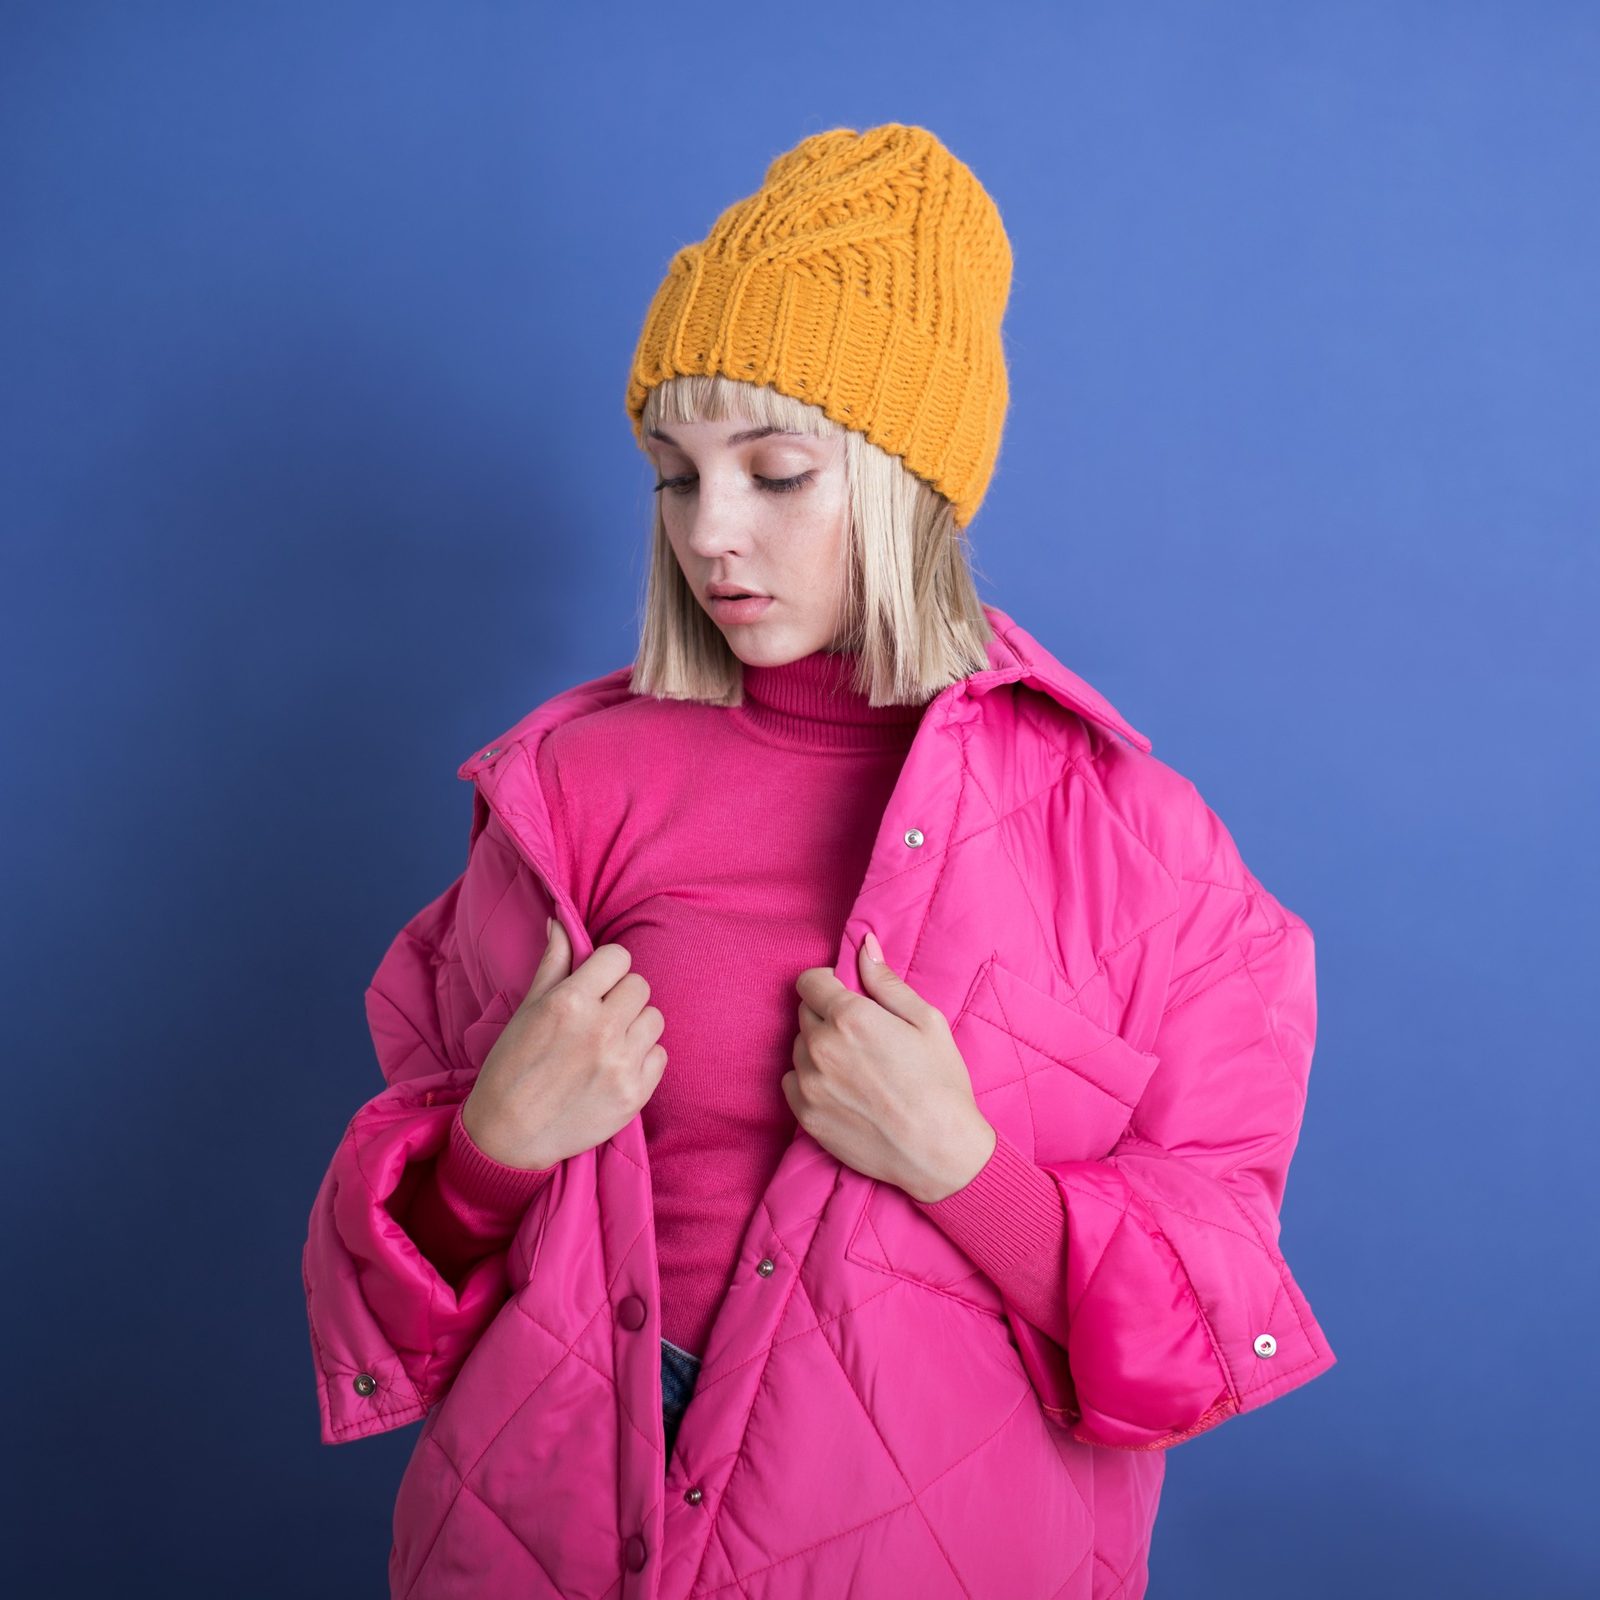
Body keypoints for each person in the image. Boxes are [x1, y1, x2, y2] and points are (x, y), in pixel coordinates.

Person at [303, 122, 1337, 1600]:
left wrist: (967, 1172)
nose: (711, 534)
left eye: (777, 472)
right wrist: (487, 1155)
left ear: (913, 480)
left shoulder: (1143, 850)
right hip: (544, 1544)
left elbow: (1214, 1322)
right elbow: (395, 1292)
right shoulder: (567, 792)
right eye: (675, 477)